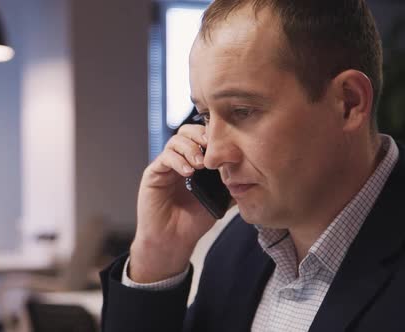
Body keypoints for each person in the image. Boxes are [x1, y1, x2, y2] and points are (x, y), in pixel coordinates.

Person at [100, 0, 405, 331]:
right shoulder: (236, 249)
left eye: (242, 111)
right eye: (205, 115)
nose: (213, 155)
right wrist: (156, 256)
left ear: (348, 103)